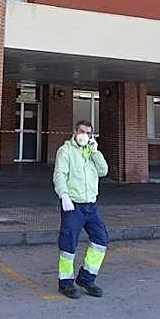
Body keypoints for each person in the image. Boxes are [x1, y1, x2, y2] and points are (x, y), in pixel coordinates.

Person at [53, 120, 109, 299]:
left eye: (88, 133)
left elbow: (103, 171)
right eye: (82, 131)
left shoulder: (91, 152)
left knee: (101, 239)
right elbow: (60, 175)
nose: (85, 135)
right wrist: (64, 196)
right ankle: (65, 283)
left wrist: (95, 151)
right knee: (68, 244)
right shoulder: (65, 151)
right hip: (73, 206)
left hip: (90, 206)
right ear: (75, 132)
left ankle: (86, 278)